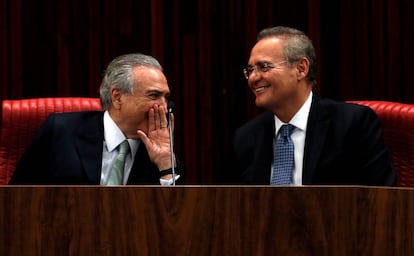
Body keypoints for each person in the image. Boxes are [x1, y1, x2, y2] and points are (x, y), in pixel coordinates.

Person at [230, 26, 395, 185]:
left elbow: (382, 200)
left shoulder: (352, 124)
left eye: (264, 67)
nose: (253, 78)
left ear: (301, 69)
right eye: (250, 70)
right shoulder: (246, 137)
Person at [9, 53, 183, 185]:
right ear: (117, 97)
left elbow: (177, 218)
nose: (164, 106)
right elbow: (15, 200)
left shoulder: (162, 147)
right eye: (154, 96)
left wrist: (166, 163)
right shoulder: (61, 132)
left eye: (166, 97)